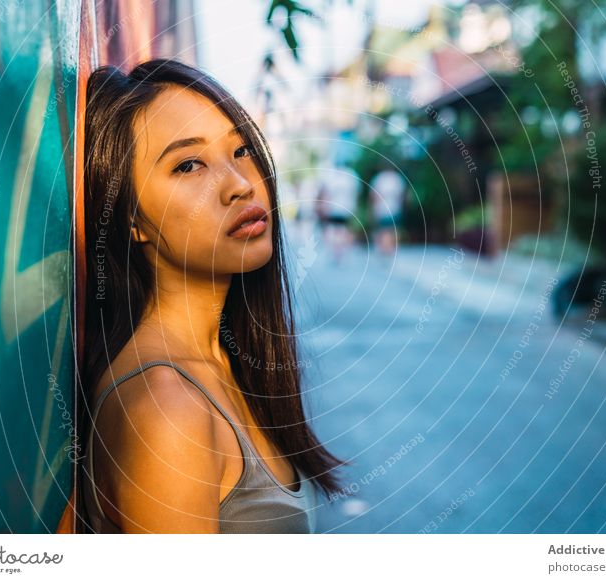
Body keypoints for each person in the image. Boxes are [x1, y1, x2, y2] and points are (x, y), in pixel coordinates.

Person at [82, 59, 347, 534]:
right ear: (130, 219)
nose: (241, 184)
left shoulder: (224, 361)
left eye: (242, 149)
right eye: (188, 165)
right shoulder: (167, 411)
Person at [317, 163, 361, 264]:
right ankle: (340, 252)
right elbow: (356, 193)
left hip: (332, 208)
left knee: (332, 230)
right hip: (347, 209)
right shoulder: (352, 176)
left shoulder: (330, 175)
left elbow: (325, 192)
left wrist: (322, 207)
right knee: (343, 231)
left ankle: (334, 251)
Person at [369, 167, 407, 256]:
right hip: (394, 210)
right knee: (392, 231)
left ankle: (385, 249)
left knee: (383, 231)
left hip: (381, 210)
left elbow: (374, 196)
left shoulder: (379, 178)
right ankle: (389, 249)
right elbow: (401, 197)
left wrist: (373, 209)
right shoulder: (397, 179)